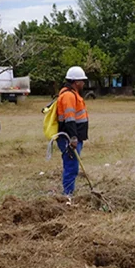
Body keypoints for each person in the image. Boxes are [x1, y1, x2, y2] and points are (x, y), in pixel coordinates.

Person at [56, 66, 90, 197]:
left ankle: (69, 193)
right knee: (71, 167)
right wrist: (73, 138)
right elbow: (69, 119)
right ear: (76, 82)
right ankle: (67, 195)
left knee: (72, 166)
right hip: (69, 139)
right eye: (82, 81)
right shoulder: (69, 96)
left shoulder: (72, 94)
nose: (84, 83)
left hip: (73, 138)